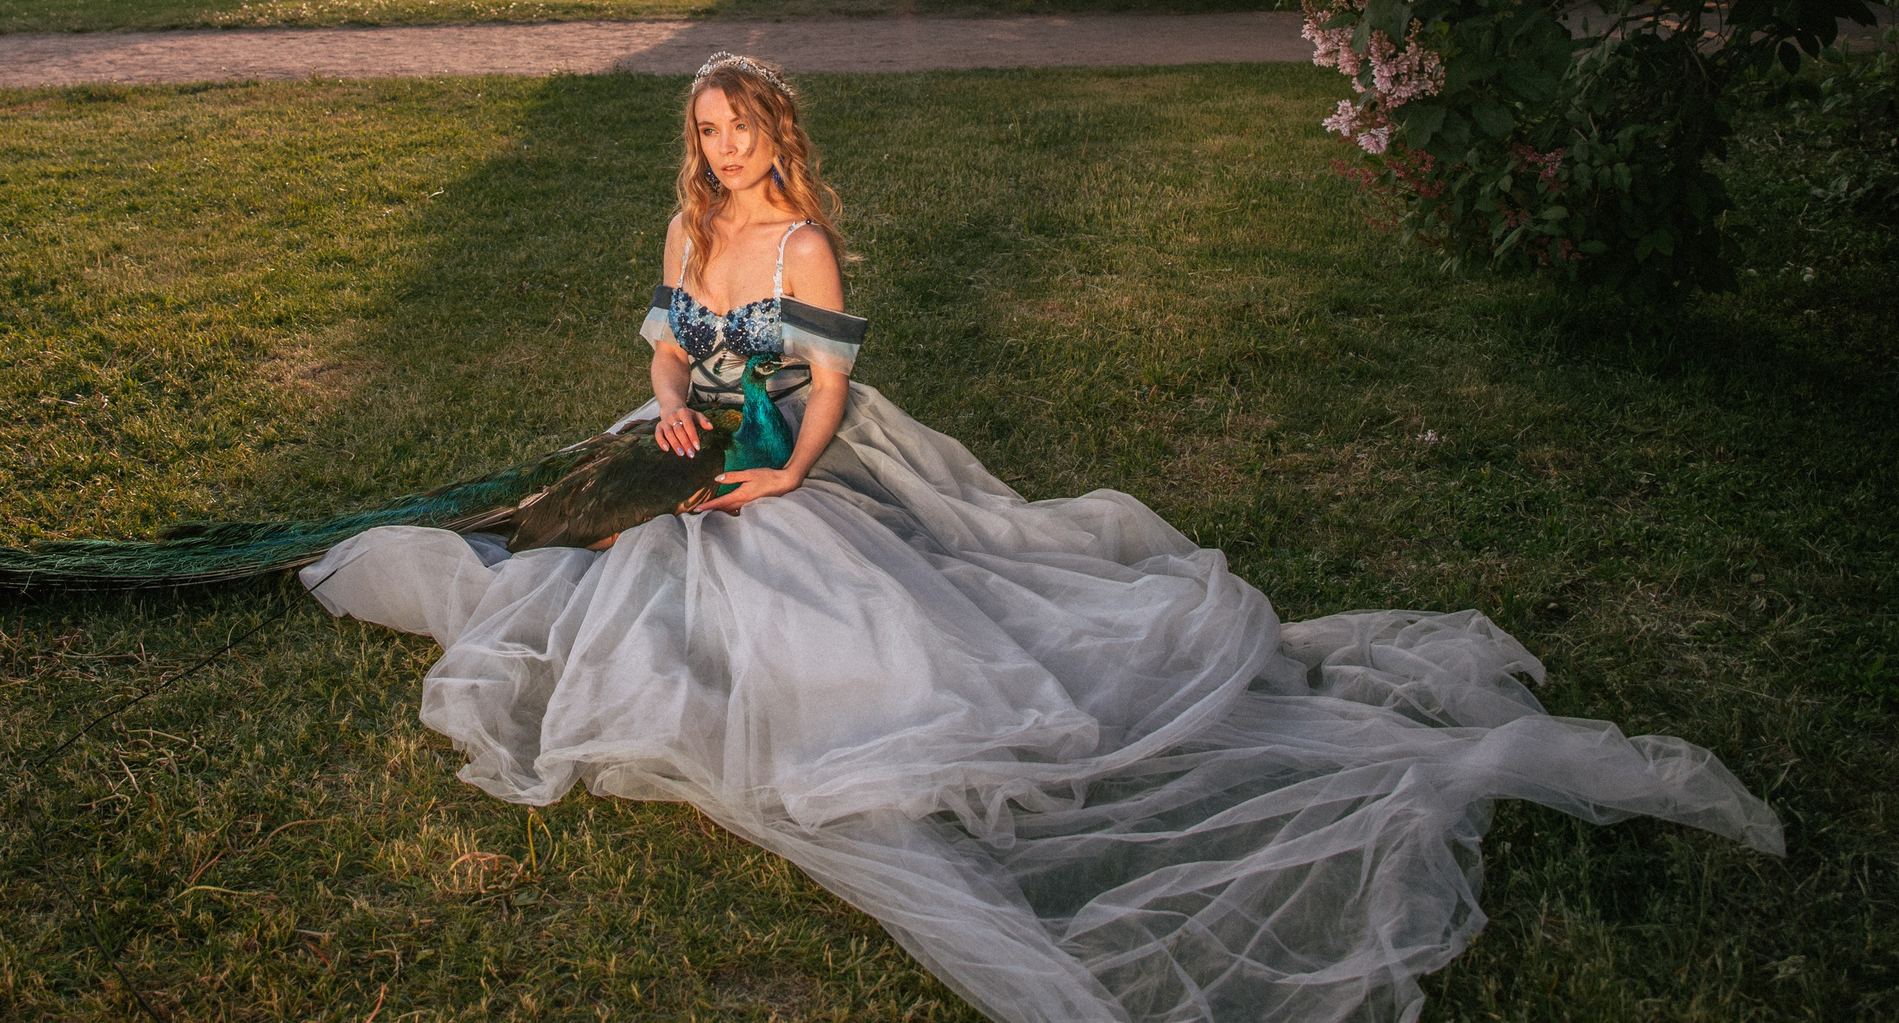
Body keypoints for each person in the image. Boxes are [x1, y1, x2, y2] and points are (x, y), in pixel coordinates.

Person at [303, 52, 1781, 1023]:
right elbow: (664, 348)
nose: (724, 143)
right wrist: (673, 412)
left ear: (775, 132)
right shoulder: (691, 235)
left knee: (829, 607)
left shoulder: (802, 241)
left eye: (740, 124)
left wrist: (771, 480)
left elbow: (828, 392)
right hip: (692, 439)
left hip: (783, 458)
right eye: (705, 128)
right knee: (606, 563)